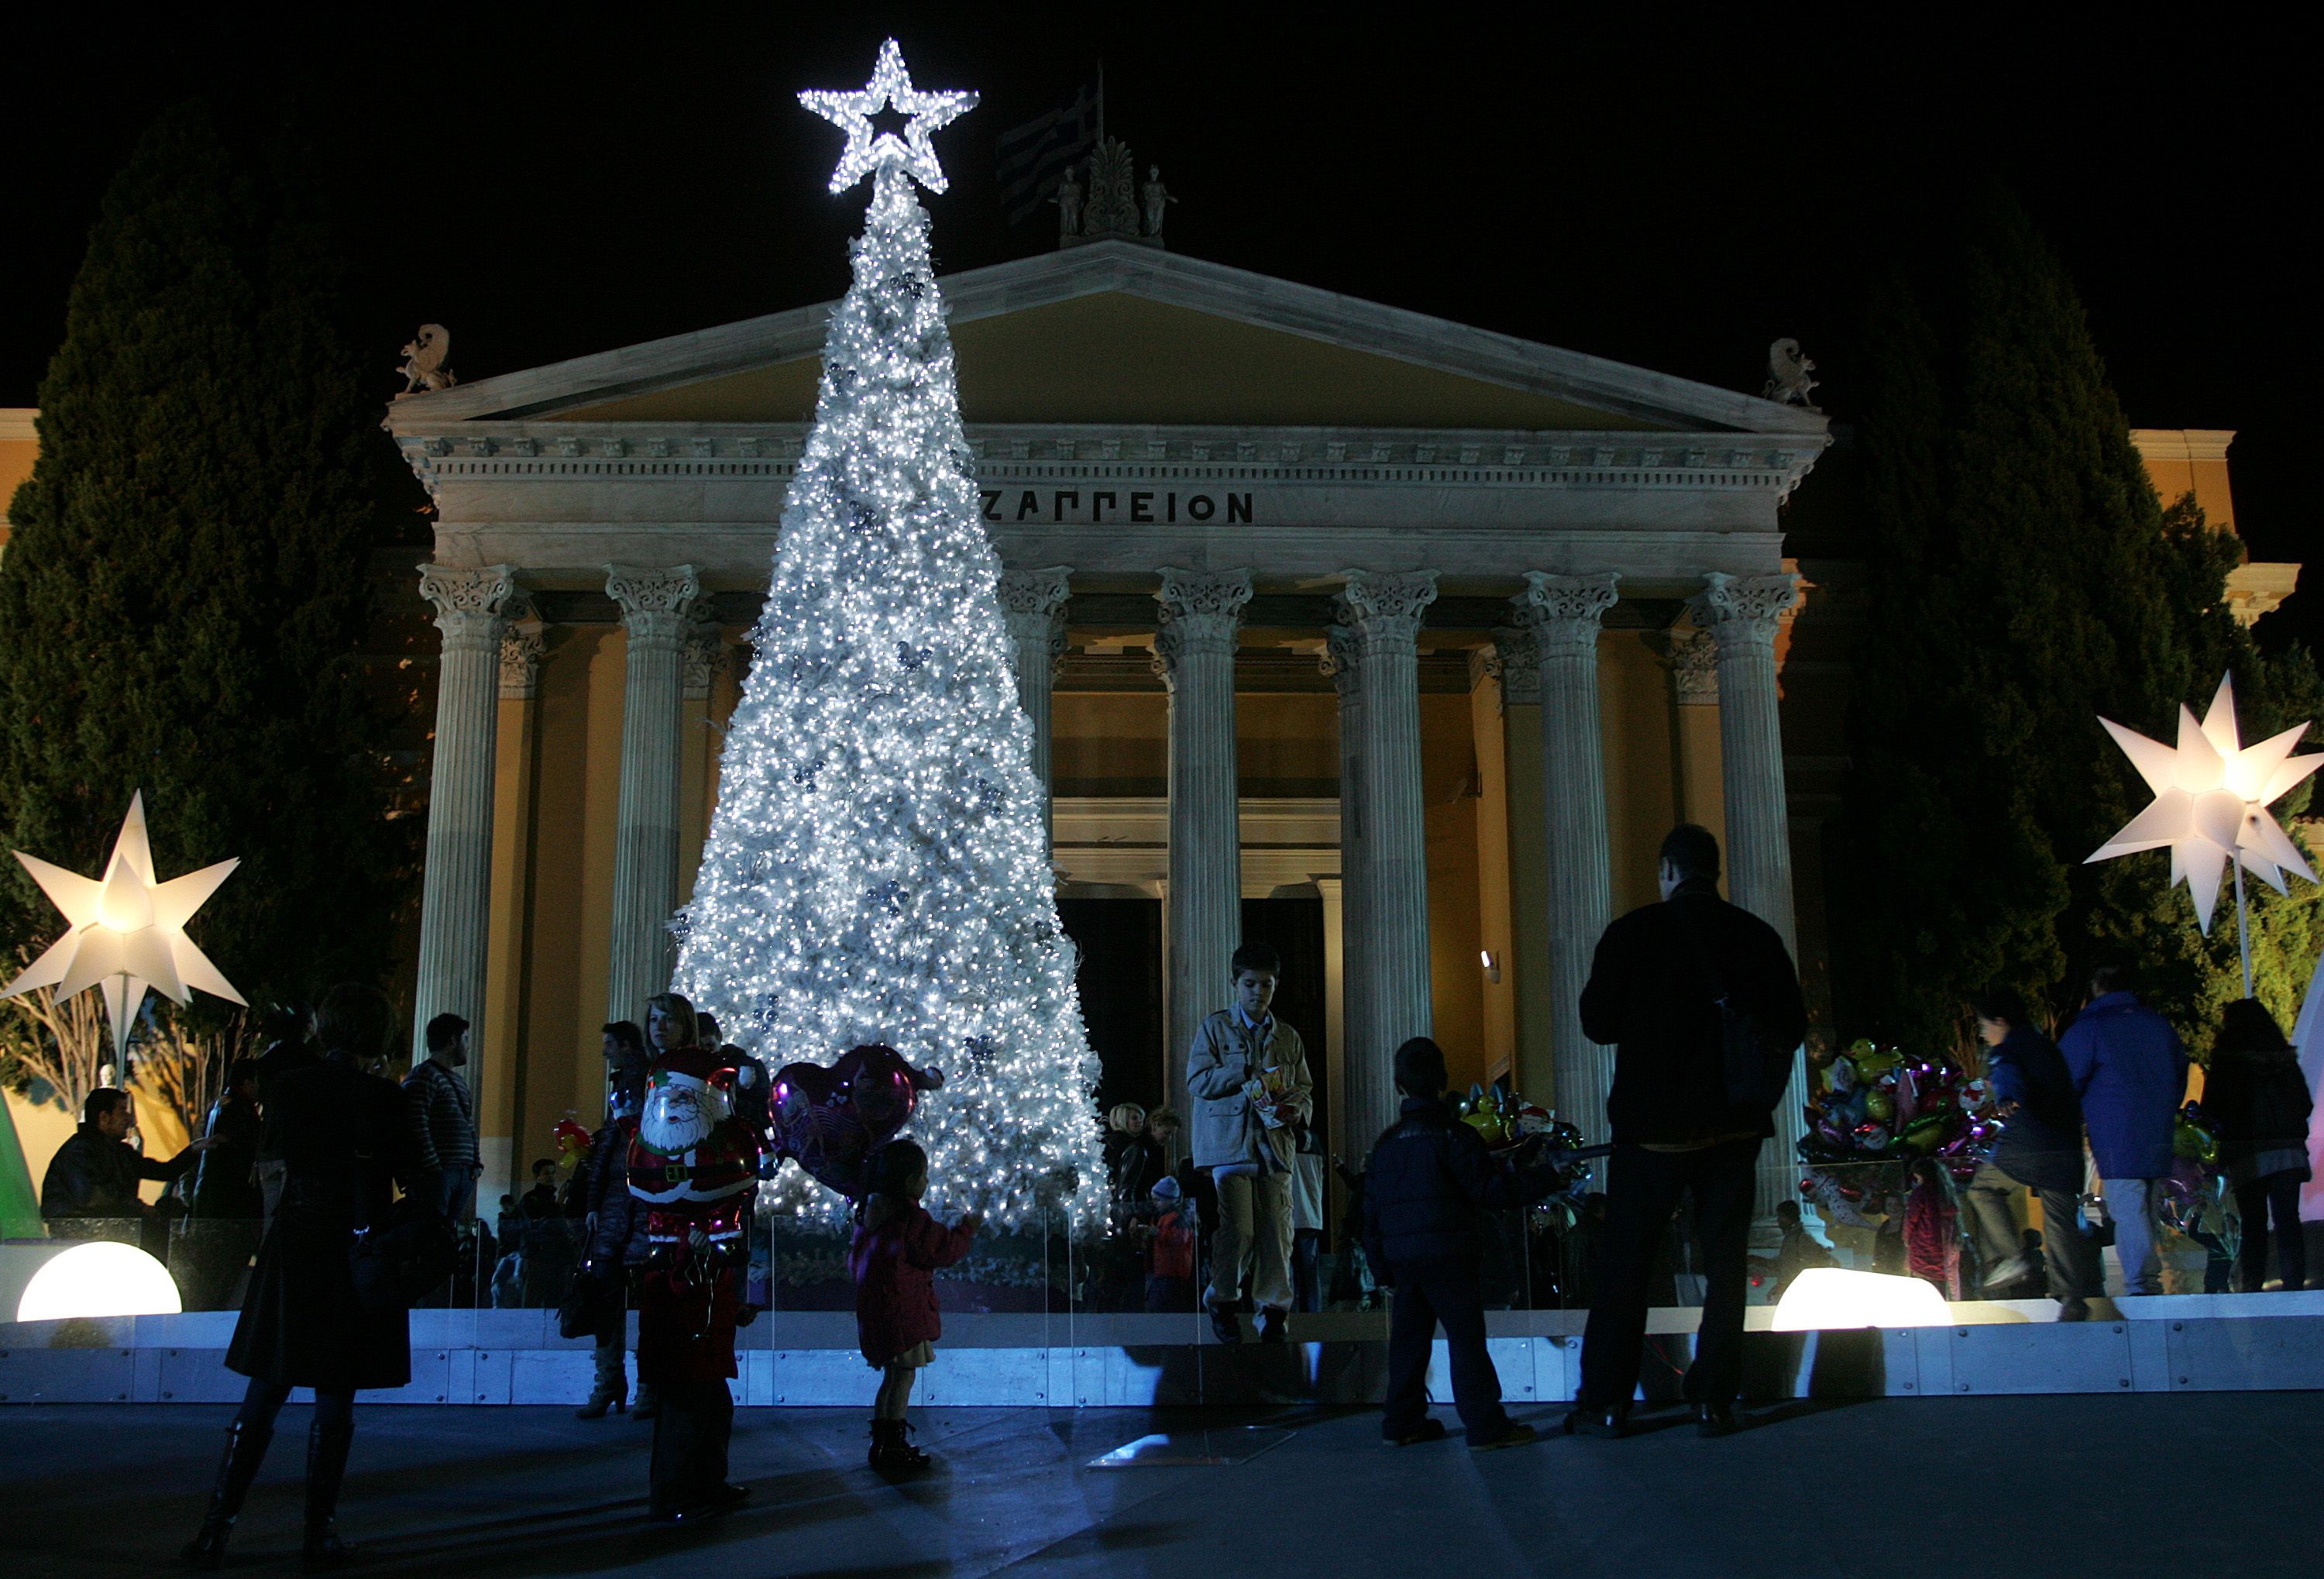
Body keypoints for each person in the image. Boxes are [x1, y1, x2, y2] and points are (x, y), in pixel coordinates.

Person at [182, 983, 441, 1570]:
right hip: (355, 1248)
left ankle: (216, 1529)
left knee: (267, 1386)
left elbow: (274, 1163)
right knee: (335, 1392)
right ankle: (318, 1531)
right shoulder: (384, 1097)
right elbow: (421, 1178)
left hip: (296, 1241)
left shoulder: (289, 1088)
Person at [1568, 824, 1807, 1438]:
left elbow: (1597, 1023)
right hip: (1732, 1127)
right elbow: (1793, 1023)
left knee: (1627, 1267)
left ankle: (1608, 1400)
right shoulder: (1755, 935)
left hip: (1652, 1131)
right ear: (1714, 871)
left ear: (1668, 870)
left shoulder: (1633, 932)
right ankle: (1713, 1397)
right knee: (1726, 1266)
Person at [599, 992, 759, 1522]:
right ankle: (676, 1491)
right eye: (652, 1020)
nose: (658, 1027)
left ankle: (706, 1482)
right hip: (671, 1269)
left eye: (668, 1019)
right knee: (683, 1393)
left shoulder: (709, 1084)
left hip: (705, 1267)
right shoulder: (645, 1093)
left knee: (709, 1392)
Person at [1363, 1036, 1552, 1450]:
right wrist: (1545, 1178)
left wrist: (1382, 1267)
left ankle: (1402, 1421)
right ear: (1443, 1080)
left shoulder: (1386, 1145)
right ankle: (1485, 1425)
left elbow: (1370, 1213)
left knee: (1408, 1345)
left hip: (1404, 1261)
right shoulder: (1456, 1136)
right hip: (1450, 1254)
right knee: (1466, 1342)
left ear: (1398, 1085)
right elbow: (1490, 1190)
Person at [1186, 941, 1315, 1343]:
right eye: (1250, 984)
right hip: (1229, 1145)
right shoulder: (1215, 1028)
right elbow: (1197, 1080)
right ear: (1235, 984)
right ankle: (1223, 1300)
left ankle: (1273, 1310)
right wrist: (1240, 1070)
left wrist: (1298, 1111)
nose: (1258, 992)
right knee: (1237, 1230)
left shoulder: (1288, 1036)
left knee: (1276, 1232)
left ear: (1275, 987)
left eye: (1265, 985)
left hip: (1274, 1146)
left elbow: (1305, 1088)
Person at [1961, 989, 2101, 1318]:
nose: (1982, 1034)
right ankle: (2072, 1298)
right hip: (2065, 1144)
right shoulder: (2046, 1047)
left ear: (2000, 1021)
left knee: (1982, 1190)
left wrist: (2007, 1097)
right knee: (2059, 1222)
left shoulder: (2007, 1049)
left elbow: (2007, 1073)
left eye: (1983, 1025)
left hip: (2028, 1142)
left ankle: (2016, 1257)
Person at [850, 1138, 981, 1471]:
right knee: (903, 1377)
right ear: (909, 1181)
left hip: (879, 1312)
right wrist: (967, 1229)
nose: (926, 1183)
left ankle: (882, 1444)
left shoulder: (869, 1216)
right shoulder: (910, 1220)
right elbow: (943, 1249)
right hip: (903, 1313)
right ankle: (892, 1447)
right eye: (923, 1176)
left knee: (891, 1378)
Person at [2059, 963, 2188, 1298]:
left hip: (2115, 1133)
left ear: (2097, 987)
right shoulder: (2158, 1025)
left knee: (2127, 1207)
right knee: (2147, 1204)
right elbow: (2178, 1074)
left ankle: (2142, 1284)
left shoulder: (2091, 1028)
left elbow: (2064, 1081)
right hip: (2157, 1129)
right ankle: (2150, 1279)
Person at [2205, 998, 2312, 1293]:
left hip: (2247, 1152)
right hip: (2287, 1151)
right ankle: (2295, 1287)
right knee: (2288, 1221)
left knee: (2253, 1225)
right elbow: (2304, 1102)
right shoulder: (2284, 1060)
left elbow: (2212, 1109)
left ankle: (2252, 1289)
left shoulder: (2227, 1062)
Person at [576, 1020, 648, 1419]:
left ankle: (615, 1383)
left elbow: (614, 1140)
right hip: (623, 1198)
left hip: (632, 1195)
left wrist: (593, 1199)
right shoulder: (625, 1082)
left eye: (608, 1045)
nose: (603, 1052)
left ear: (624, 1046)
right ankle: (627, 1385)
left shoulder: (639, 1081)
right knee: (617, 1291)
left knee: (616, 1294)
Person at [40, 1086, 215, 1234]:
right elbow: (94, 1197)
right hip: (79, 1235)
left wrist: (195, 1149)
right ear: (104, 1118)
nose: (128, 1118)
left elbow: (164, 1171)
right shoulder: (79, 1150)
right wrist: (140, 1208)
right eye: (122, 1110)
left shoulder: (120, 1151)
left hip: (109, 1231)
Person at [179, 1061, 266, 1311]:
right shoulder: (238, 1109)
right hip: (226, 1206)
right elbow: (244, 1153)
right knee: (220, 1274)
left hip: (212, 1202)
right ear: (247, 1083)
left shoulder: (220, 1105)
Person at [403, 1013, 480, 1220]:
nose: (468, 1046)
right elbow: (416, 1122)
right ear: (452, 1040)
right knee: (431, 1229)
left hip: (461, 1171)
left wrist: (475, 1164)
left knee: (444, 1231)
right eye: (465, 1039)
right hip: (440, 1171)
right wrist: (433, 1167)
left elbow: (467, 1123)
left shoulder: (458, 1082)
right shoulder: (424, 1075)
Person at [1144, 1175, 1200, 1311]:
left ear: (1169, 1200)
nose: (1155, 1203)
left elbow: (1180, 1239)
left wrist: (1157, 1233)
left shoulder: (1178, 1218)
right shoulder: (1165, 1217)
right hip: (1163, 1272)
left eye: (1158, 1200)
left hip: (1173, 1274)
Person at [1290, 1123, 1327, 1313]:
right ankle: (1314, 1316)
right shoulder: (1317, 1149)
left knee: (1288, 1276)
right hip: (1311, 1217)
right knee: (1310, 1276)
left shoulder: (1285, 1147)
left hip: (1287, 1217)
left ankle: (1290, 1316)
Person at [1769, 1200, 1834, 1301]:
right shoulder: (1792, 1238)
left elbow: (1807, 1266)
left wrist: (1784, 1285)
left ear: (1790, 1217)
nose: (1778, 1220)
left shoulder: (1802, 1238)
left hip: (1800, 1293)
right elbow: (1786, 1264)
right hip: (1792, 1291)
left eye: (1781, 1216)